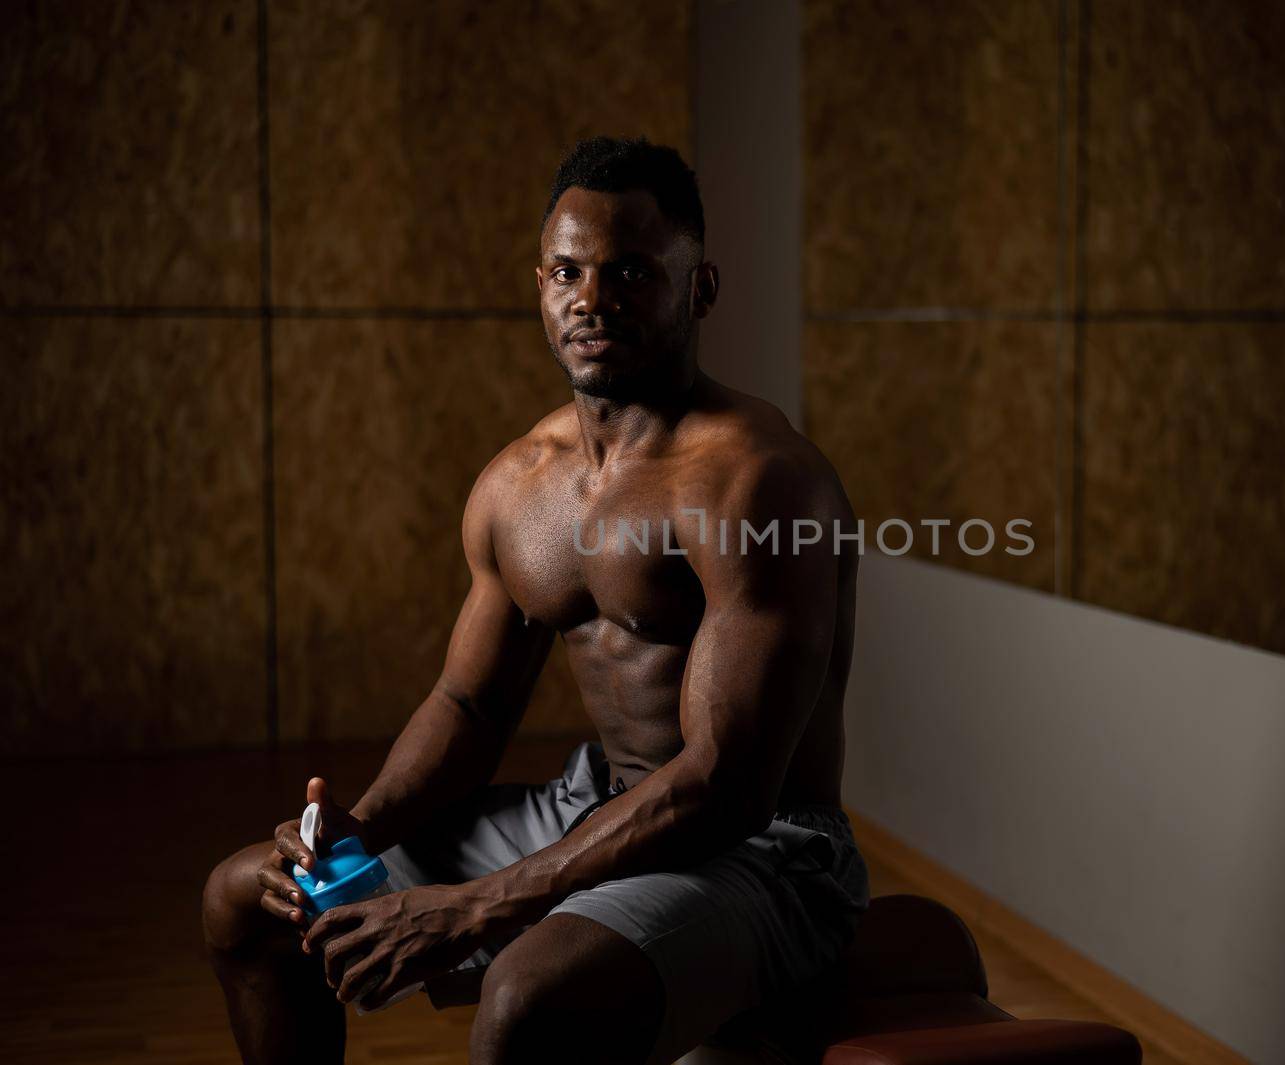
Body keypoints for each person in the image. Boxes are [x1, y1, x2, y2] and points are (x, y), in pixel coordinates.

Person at [202, 135, 868, 1065]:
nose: (592, 300)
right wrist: (357, 828)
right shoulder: (520, 486)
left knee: (525, 1002)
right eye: (568, 271)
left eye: (632, 272)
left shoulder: (757, 481)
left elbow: (727, 783)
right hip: (596, 804)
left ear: (700, 289)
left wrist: (476, 904)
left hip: (766, 851)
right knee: (246, 896)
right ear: (541, 286)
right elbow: (468, 707)